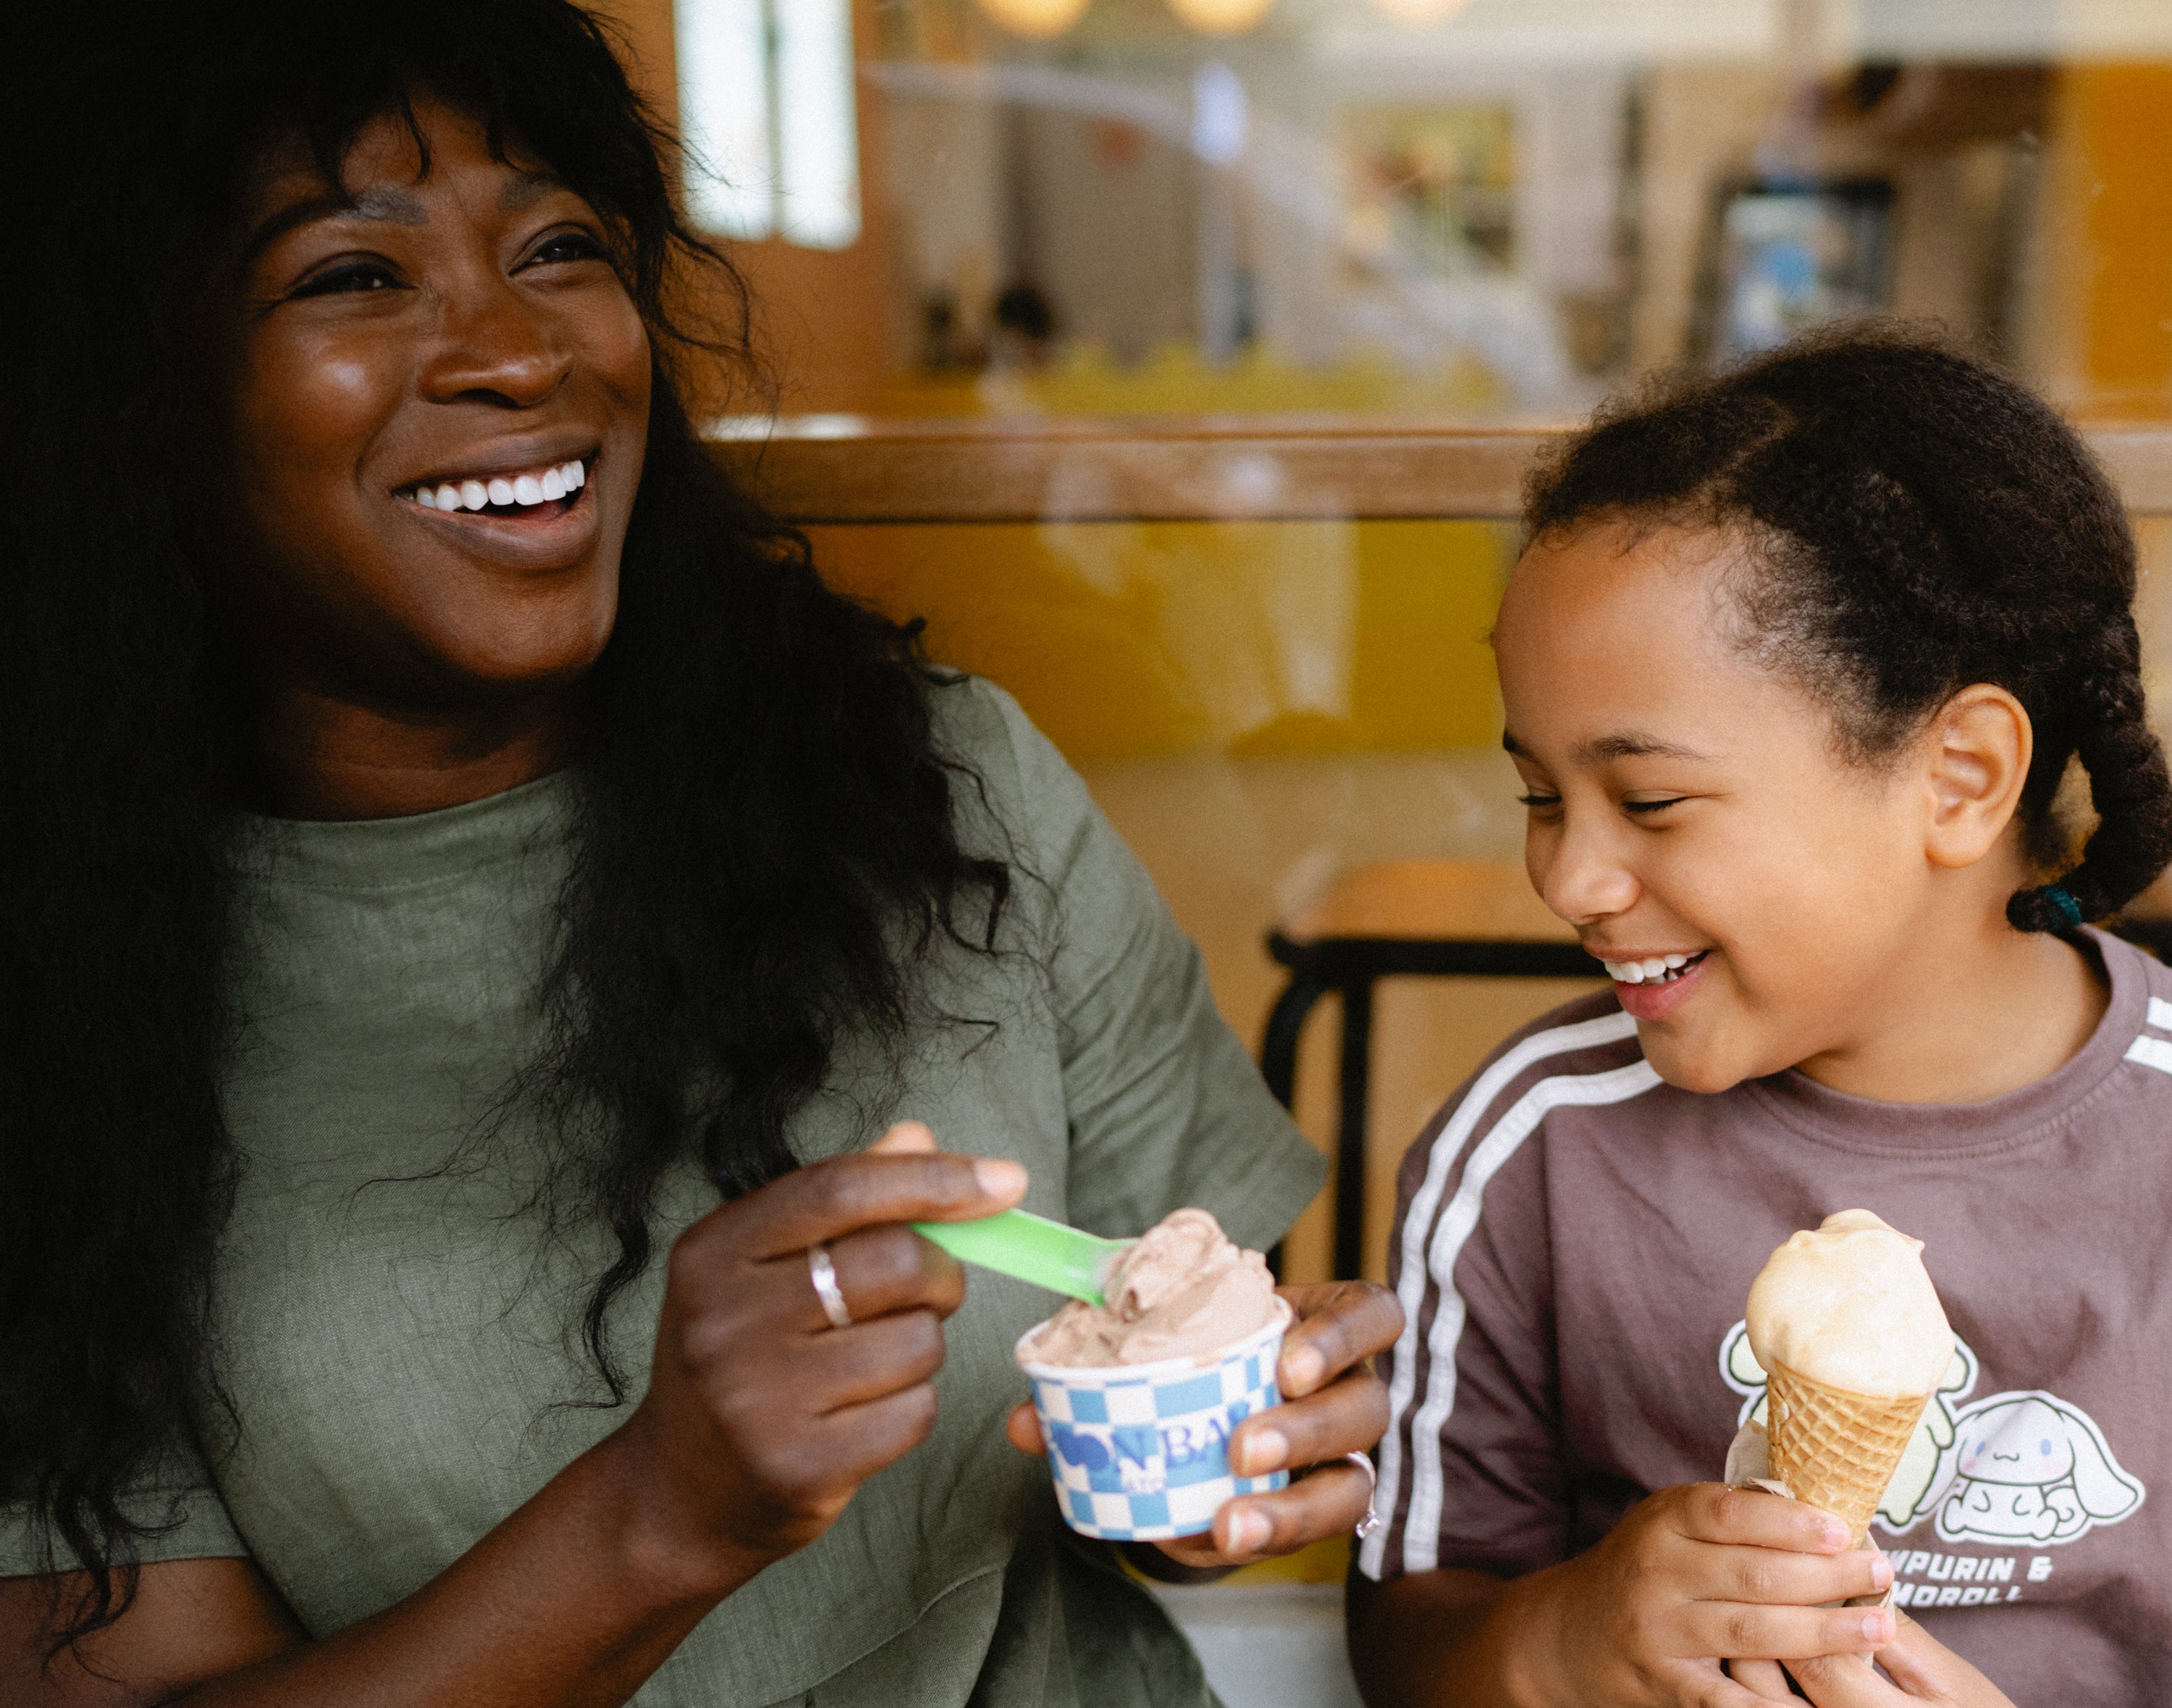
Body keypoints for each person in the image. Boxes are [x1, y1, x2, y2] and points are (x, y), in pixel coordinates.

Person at [0, 4, 1401, 1702]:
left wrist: (1224, 1452)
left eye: (558, 248)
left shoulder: (943, 789)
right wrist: (658, 1517)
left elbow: (1168, 1378)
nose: (520, 351)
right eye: (353, 275)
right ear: (130, 401)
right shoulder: (58, 1020)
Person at [1346, 328, 2172, 1707]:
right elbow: (1409, 1641)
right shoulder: (1534, 1147)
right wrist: (1567, 1637)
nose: (1570, 878)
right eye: (1541, 796)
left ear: (1962, 778)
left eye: (1650, 801)